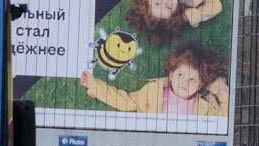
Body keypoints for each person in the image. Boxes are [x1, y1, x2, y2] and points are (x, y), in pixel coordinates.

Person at [79, 43, 229, 116]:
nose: (185, 83)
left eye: (193, 80)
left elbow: (225, 114)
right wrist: (94, 84)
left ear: (200, 85)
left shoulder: (206, 108)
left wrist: (216, 85)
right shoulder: (153, 91)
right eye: (180, 75)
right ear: (171, 76)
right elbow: (124, 102)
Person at [125, 0, 223, 44]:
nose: (165, 0)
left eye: (157, 3)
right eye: (169, 7)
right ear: (177, 7)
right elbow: (216, 6)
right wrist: (186, 16)